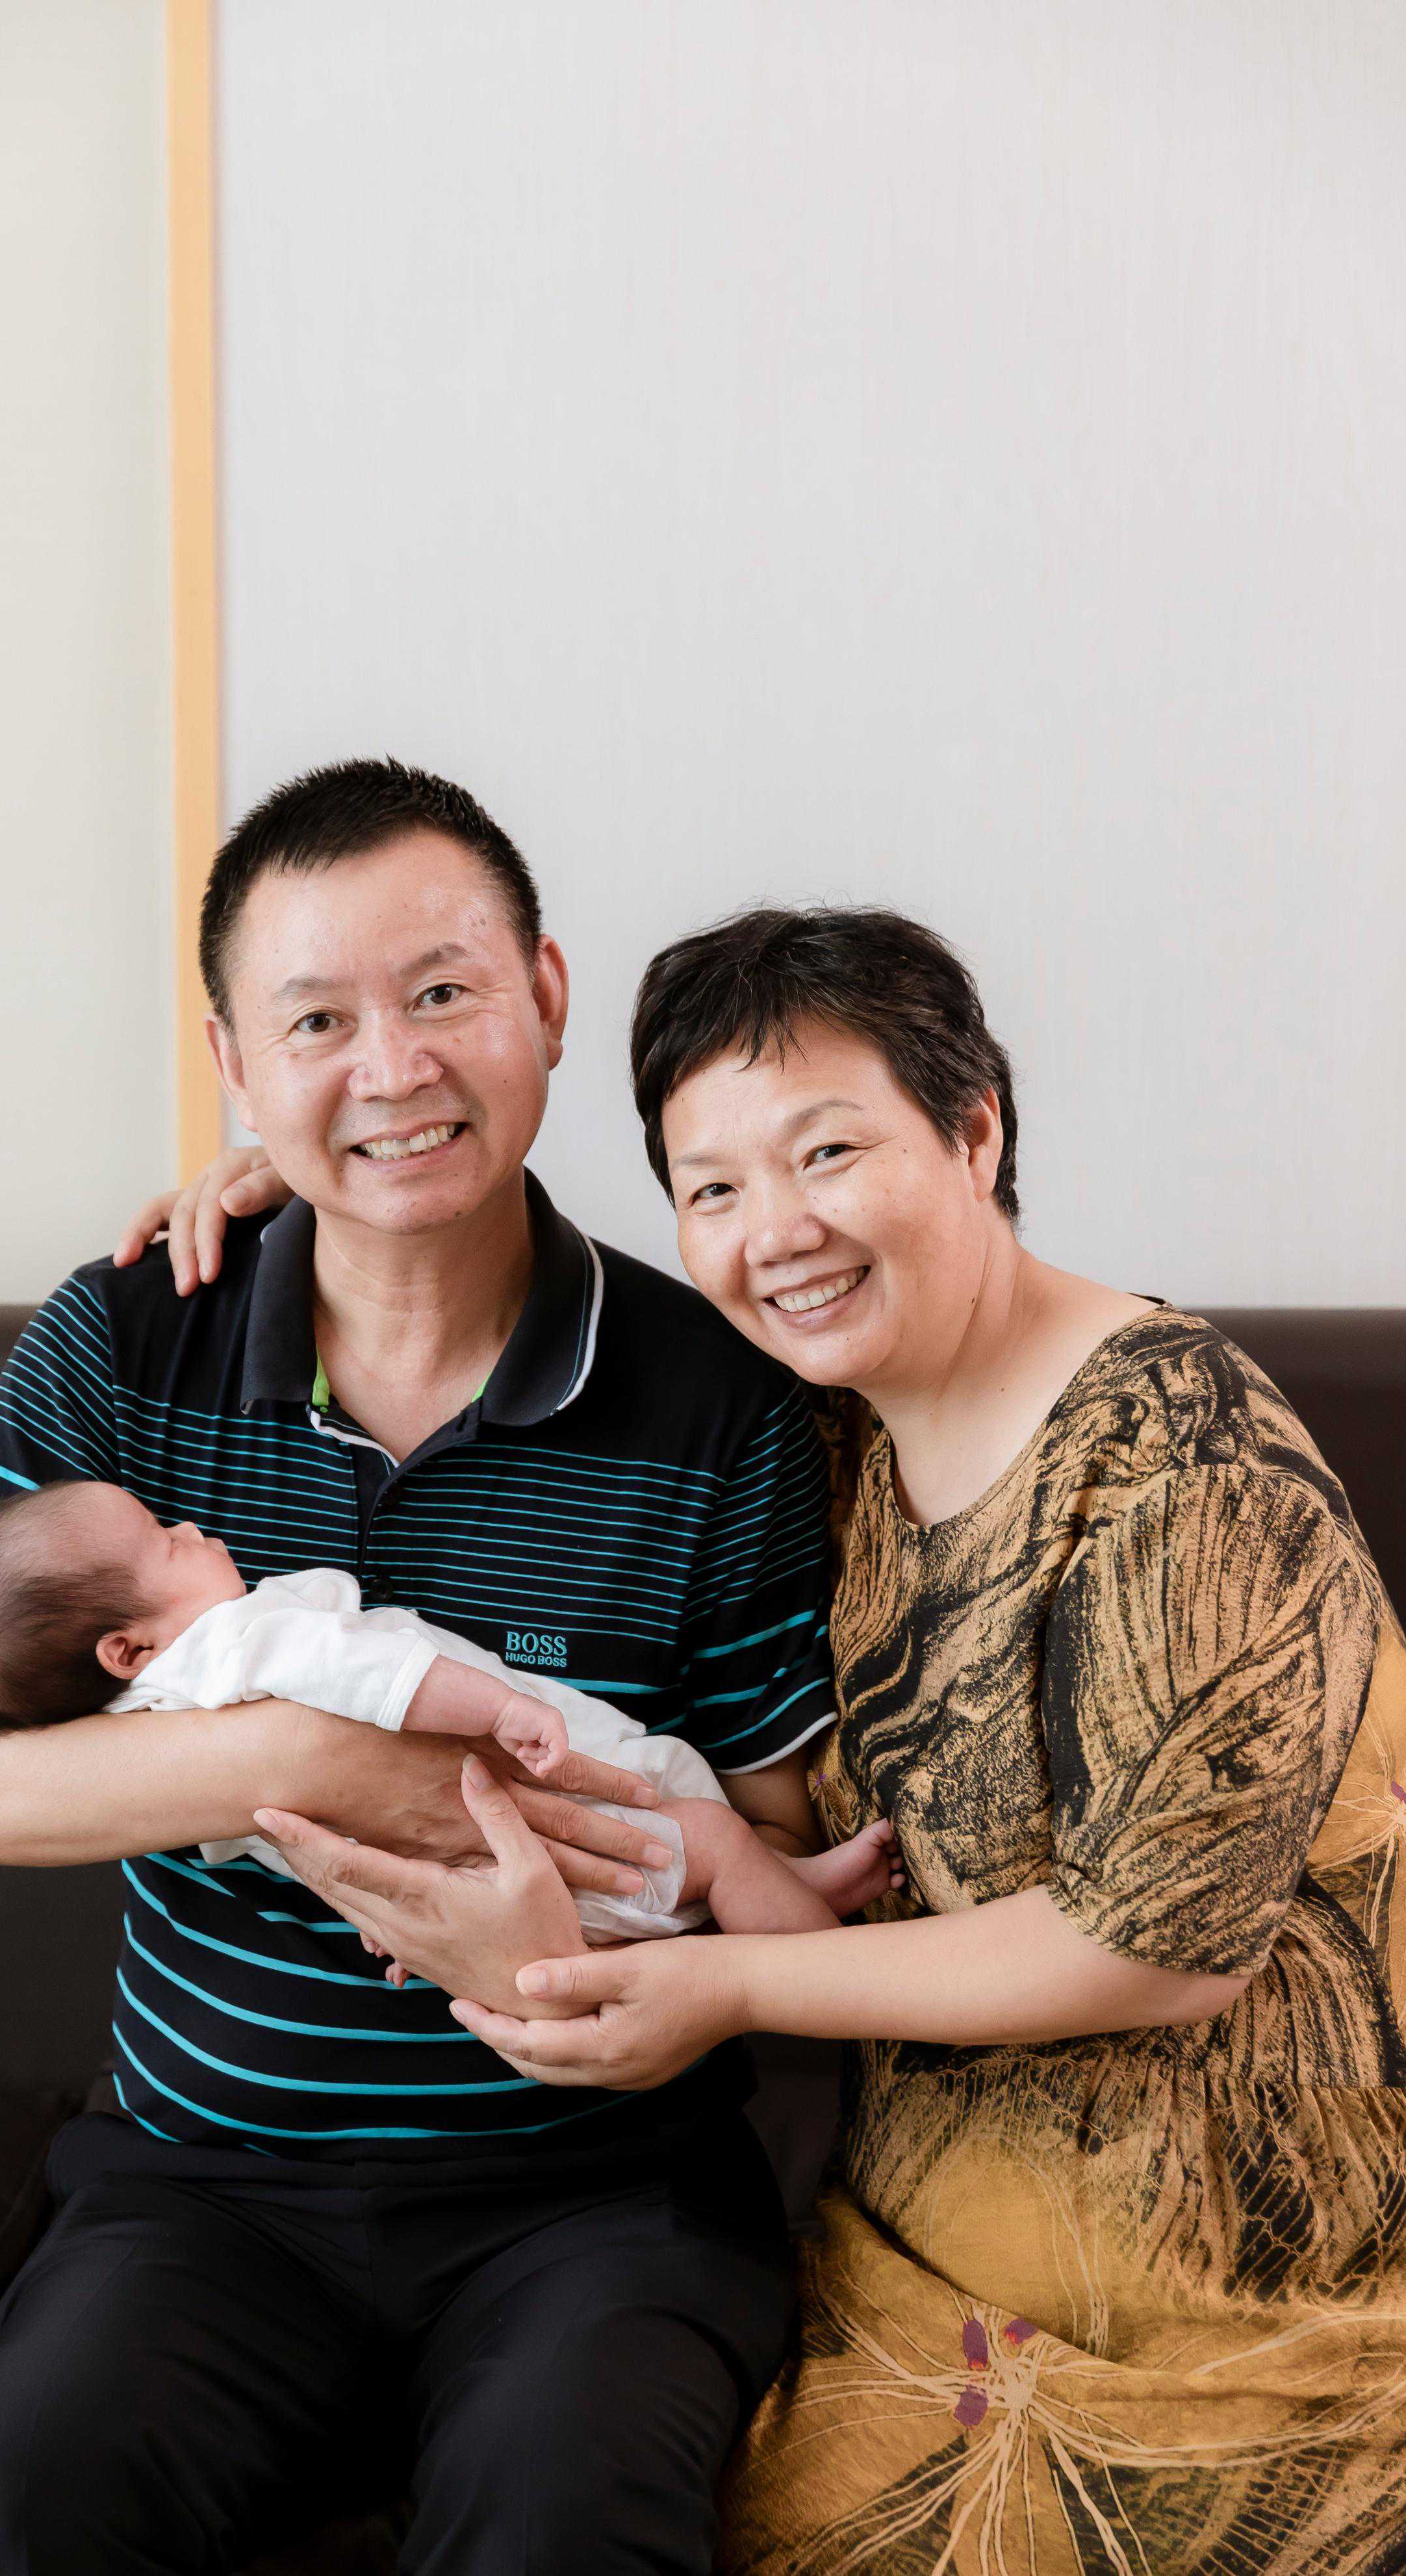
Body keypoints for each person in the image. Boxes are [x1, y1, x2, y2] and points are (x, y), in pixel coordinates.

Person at [206, 905, 1406, 2576]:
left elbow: (1155, 1948)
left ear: (973, 1127)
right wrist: (302, 1192)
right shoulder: (833, 1415)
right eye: (710, 1187)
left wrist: (727, 1985)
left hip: (1218, 2299)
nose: (775, 1230)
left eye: (827, 1150)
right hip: (914, 2260)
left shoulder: (1182, 1466)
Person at [0, 760, 849, 2576]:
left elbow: (774, 1861)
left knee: (564, 2523)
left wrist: (565, 1970)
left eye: (443, 991)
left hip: (597, 2192)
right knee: (32, 2489)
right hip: (207, 2180)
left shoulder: (720, 1403)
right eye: (316, 1020)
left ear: (545, 995)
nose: (391, 1069)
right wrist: (307, 1758)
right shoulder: (125, 1336)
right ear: (235, 1064)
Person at [0, 1477, 904, 1944]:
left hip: (485, 1901)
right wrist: (499, 1709)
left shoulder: (143, 1729)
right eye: (165, 1540)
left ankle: (792, 1884)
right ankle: (824, 1955)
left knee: (703, 1853)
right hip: (554, 1833)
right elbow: (381, 1676)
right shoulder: (240, 1645)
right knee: (709, 1842)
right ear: (128, 1649)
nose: (191, 1526)